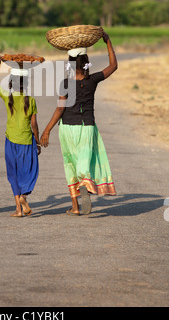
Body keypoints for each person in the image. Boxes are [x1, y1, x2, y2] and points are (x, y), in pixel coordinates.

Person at [40, 30, 117, 216]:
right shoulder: (93, 80)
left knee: (70, 164)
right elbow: (113, 66)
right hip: (87, 126)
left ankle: (75, 207)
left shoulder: (65, 83)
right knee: (84, 161)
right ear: (86, 64)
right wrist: (107, 41)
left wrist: (47, 130)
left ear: (70, 65)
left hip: (67, 127)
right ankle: (85, 182)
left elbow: (60, 109)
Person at [0, 55, 40, 217]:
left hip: (10, 140)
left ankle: (18, 209)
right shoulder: (31, 100)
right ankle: (23, 197)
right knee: (30, 171)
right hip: (26, 140)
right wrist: (38, 141)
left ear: (11, 83)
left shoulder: (8, 97)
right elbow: (34, 125)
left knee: (13, 173)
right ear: (25, 84)